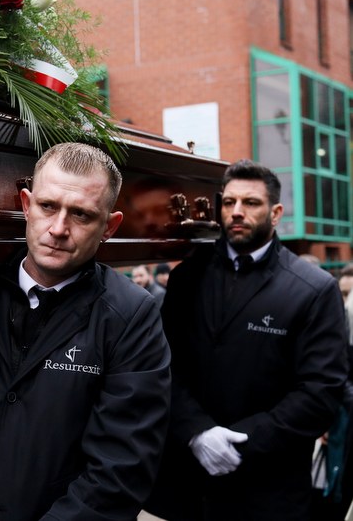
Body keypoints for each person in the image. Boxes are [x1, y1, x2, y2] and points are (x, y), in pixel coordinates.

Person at [0, 142, 171, 520]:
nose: (58, 229)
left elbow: (120, 467)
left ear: (110, 226)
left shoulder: (131, 316)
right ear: (26, 205)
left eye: (82, 215)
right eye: (48, 206)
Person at [146, 159, 348, 521]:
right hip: (186, 485)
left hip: (268, 490)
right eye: (229, 202)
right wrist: (196, 432)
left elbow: (321, 392)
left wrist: (240, 441)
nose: (237, 212)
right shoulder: (188, 275)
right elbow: (162, 363)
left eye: (251, 203)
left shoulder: (313, 290)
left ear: (276, 213)